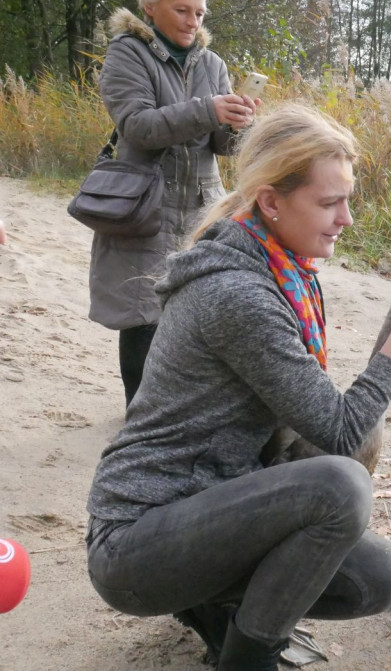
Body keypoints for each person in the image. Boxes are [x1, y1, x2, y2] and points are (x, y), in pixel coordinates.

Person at [85, 103, 391, 671]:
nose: (346, 218)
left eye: (348, 200)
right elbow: (342, 430)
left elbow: (326, 425)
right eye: (329, 202)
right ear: (271, 202)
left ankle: (217, 607)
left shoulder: (283, 271)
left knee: (378, 578)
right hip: (137, 540)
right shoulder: (239, 294)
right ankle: (247, 668)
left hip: (211, 505)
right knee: (340, 485)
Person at [89, 0, 259, 408]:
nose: (192, 21)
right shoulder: (127, 52)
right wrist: (209, 109)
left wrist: (239, 124)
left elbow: (222, 146)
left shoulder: (212, 64)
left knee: (195, 313)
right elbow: (137, 126)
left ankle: (176, 415)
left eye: (199, 13)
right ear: (150, 6)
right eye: (182, 10)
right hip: (144, 204)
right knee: (142, 313)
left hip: (201, 209)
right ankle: (139, 418)